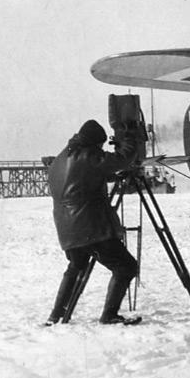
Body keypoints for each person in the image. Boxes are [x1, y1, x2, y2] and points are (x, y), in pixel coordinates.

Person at [45, 120, 141, 326]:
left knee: (76, 265)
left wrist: (111, 175)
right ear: (94, 143)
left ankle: (57, 314)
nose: (101, 150)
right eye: (100, 147)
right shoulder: (87, 155)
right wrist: (130, 138)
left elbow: (82, 178)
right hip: (89, 226)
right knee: (126, 266)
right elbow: (122, 158)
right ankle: (109, 315)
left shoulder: (62, 158)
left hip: (68, 228)